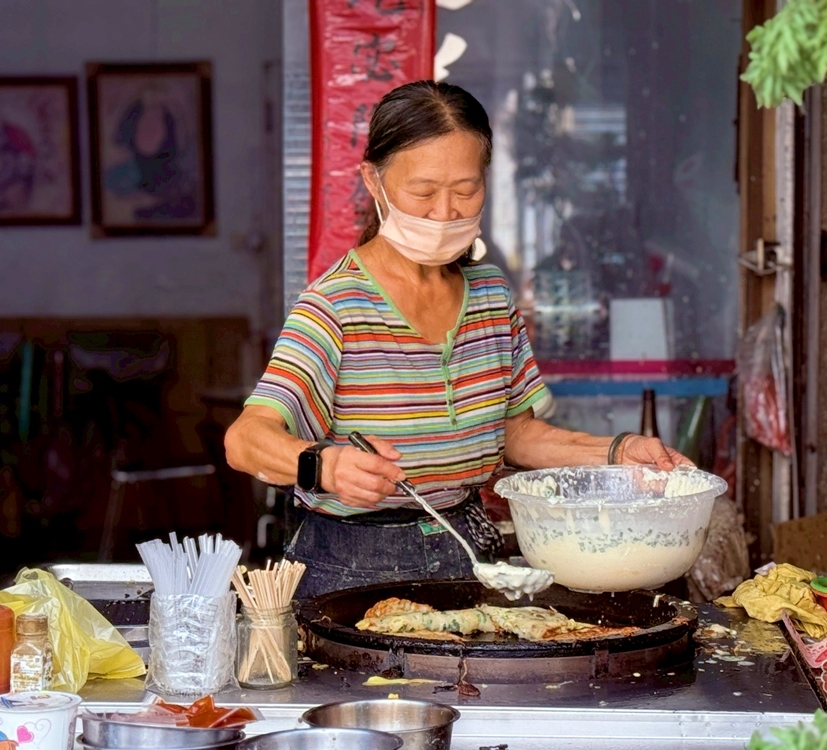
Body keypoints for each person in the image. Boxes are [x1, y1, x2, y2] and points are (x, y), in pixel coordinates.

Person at [225, 80, 691, 598]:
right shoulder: (335, 305)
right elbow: (245, 440)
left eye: (466, 190)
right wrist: (325, 465)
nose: (446, 212)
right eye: (423, 192)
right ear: (374, 182)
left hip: (468, 549)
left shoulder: (490, 296)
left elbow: (513, 434)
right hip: (349, 566)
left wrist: (617, 453)